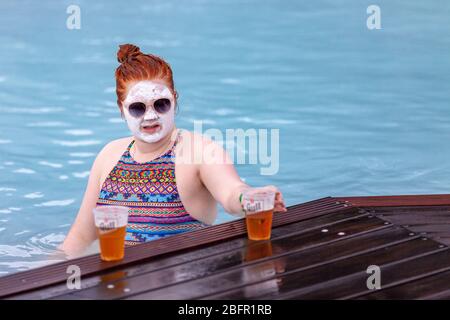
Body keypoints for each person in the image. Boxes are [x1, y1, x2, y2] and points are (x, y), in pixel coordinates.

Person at [60, 44, 287, 257]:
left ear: (174, 100)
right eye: (138, 108)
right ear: (122, 109)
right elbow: (80, 237)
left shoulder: (198, 151)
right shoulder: (109, 155)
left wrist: (249, 197)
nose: (150, 116)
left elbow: (230, 193)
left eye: (161, 104)